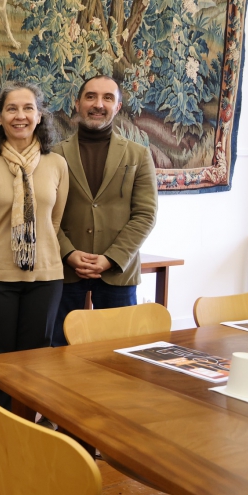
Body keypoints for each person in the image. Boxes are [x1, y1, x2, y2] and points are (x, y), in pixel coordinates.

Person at [0, 81, 68, 410]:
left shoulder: (57, 164)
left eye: (27, 108)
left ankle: (28, 421)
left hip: (45, 278)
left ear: (39, 116)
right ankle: (3, 426)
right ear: (0, 118)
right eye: (11, 109)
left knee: (36, 356)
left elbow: (55, 221)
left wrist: (38, 251)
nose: (20, 116)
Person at [50, 75, 158, 346]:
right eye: (91, 97)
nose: (98, 104)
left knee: (119, 354)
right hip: (64, 271)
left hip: (118, 272)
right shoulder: (53, 155)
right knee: (58, 354)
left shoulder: (138, 155)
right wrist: (69, 253)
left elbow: (145, 214)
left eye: (107, 98)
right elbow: (45, 214)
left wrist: (111, 258)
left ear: (118, 107)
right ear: (77, 103)